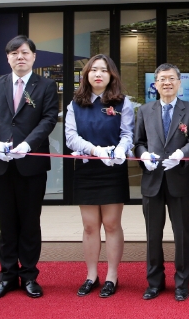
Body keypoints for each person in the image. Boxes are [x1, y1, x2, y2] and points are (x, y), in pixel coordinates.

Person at [0, 35, 58, 301]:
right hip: (2, 164)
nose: (19, 57)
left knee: (30, 222)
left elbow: (48, 119)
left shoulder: (46, 85)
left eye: (24, 52)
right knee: (7, 222)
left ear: (34, 57)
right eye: (14, 53)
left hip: (31, 164)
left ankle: (30, 276)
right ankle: (7, 277)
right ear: (7, 58)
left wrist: (28, 145)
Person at [65, 54, 134, 298]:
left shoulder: (122, 103)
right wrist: (95, 150)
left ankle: (112, 276)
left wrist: (121, 149)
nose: (98, 74)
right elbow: (71, 137)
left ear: (111, 75)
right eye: (94, 69)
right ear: (86, 74)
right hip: (87, 168)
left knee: (112, 224)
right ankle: (91, 276)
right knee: (90, 226)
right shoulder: (75, 103)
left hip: (113, 168)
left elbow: (128, 134)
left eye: (104, 70)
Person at [134, 63, 189, 302]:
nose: (167, 83)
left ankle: (182, 283)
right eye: (162, 79)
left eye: (172, 78)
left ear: (179, 83)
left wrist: (182, 154)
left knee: (182, 234)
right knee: (153, 235)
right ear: (155, 84)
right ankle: (154, 282)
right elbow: (138, 142)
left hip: (178, 178)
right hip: (152, 179)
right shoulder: (145, 110)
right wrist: (144, 155)